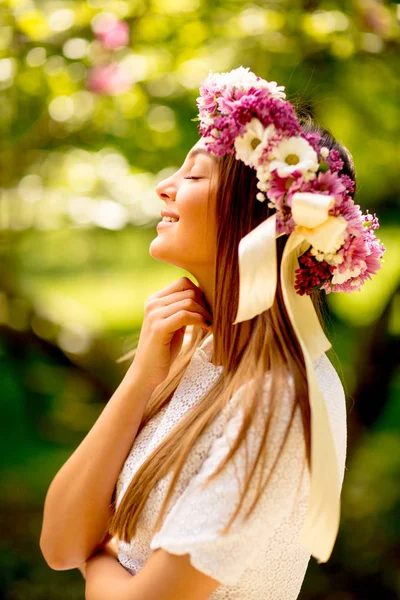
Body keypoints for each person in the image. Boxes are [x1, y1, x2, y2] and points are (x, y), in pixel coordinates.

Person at [39, 67, 385, 600]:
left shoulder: (280, 400)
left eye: (194, 176)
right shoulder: (195, 352)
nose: (165, 186)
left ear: (253, 215)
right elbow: (60, 543)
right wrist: (141, 378)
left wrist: (101, 557)